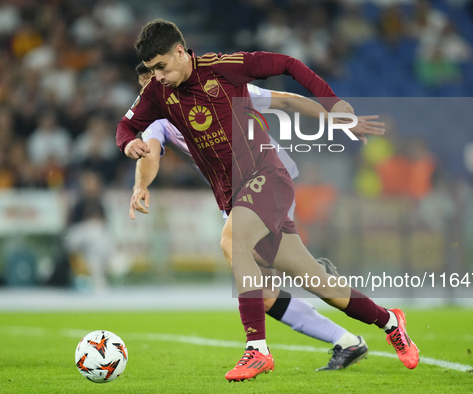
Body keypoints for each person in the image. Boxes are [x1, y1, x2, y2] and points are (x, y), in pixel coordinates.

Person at [116, 19, 419, 381]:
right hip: (236, 196)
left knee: (232, 241)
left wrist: (335, 109)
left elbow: (288, 69)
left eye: (161, 67)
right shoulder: (157, 95)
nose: (157, 78)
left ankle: (256, 349)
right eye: (150, 72)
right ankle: (389, 321)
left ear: (180, 52)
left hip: (268, 177)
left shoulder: (225, 70)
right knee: (317, 284)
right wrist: (127, 145)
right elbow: (129, 129)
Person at [130, 62, 370, 371]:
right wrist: (140, 185)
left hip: (268, 178)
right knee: (265, 294)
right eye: (146, 86)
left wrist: (337, 119)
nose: (154, 88)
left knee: (251, 260)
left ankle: (285, 312)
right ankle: (346, 339)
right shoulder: (159, 120)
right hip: (235, 197)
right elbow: (149, 153)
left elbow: (286, 100)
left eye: (157, 80)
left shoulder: (218, 91)